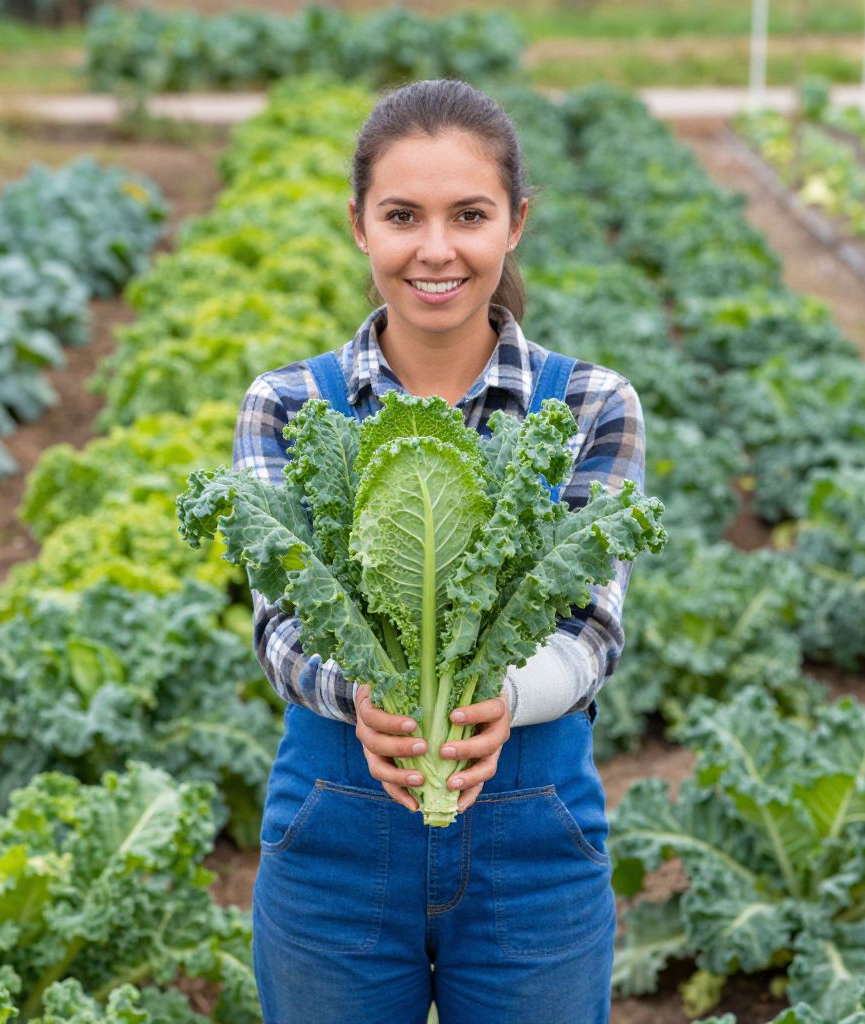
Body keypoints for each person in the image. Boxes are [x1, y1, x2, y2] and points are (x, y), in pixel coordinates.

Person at [234, 78, 645, 1024]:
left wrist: (499, 697)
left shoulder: (589, 404)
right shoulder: (289, 404)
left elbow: (592, 627)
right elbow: (282, 625)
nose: (435, 249)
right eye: (402, 215)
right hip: (334, 844)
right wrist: (360, 695)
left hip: (531, 849)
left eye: (469, 215)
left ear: (516, 223)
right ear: (359, 226)